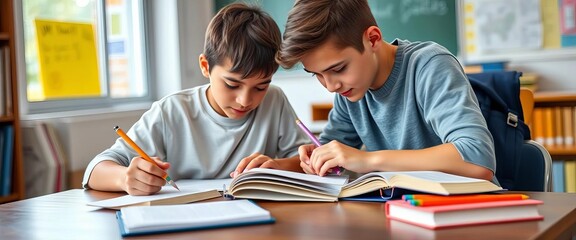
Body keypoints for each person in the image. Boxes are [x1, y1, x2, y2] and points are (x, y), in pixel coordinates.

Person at [82, 3, 309, 195]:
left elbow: (306, 159)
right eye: (232, 84)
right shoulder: (171, 111)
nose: (244, 100)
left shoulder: (274, 100)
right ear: (205, 66)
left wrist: (277, 165)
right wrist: (125, 179)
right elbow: (94, 170)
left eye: (261, 86)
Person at [275, 0, 497, 183]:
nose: (331, 86)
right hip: (399, 210)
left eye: (338, 69)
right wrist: (282, 165)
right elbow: (334, 152)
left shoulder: (430, 65)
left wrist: (368, 160)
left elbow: (478, 160)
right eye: (317, 74)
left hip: (465, 211)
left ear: (372, 39)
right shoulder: (350, 90)